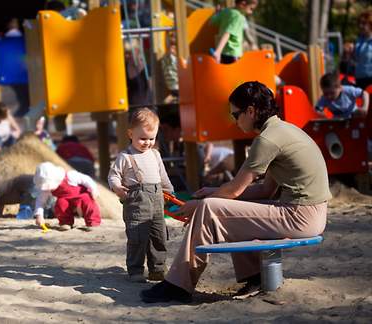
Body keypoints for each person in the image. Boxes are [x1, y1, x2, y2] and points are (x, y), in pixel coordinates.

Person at [140, 81, 331, 304]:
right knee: (224, 207)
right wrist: (213, 191)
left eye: (236, 115)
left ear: (251, 111)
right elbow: (266, 190)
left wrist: (199, 203)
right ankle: (254, 275)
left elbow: (234, 190)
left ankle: (178, 285)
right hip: (309, 213)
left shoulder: (267, 139)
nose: (234, 121)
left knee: (212, 207)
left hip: (301, 216)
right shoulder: (282, 130)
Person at [108, 107, 174, 283]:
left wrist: (169, 191)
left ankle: (157, 269)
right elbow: (113, 175)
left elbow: (163, 176)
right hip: (137, 202)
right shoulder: (125, 156)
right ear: (130, 134)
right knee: (138, 236)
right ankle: (136, 270)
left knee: (158, 235)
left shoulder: (155, 154)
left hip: (157, 199)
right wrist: (117, 187)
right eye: (143, 138)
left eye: (152, 138)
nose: (147, 142)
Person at [32, 162, 101, 231]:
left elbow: (86, 179)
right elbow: (40, 201)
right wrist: (39, 215)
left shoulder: (70, 176)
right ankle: (65, 222)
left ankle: (93, 222)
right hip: (65, 200)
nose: (48, 188)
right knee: (60, 204)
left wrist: (94, 189)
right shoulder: (47, 189)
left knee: (87, 201)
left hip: (81, 195)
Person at [354, 10, 372, 90]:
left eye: (364, 23)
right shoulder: (359, 40)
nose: (361, 26)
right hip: (359, 79)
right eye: (359, 23)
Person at [161, 32, 179, 102]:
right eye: (171, 45)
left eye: (174, 45)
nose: (172, 47)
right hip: (174, 88)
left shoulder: (177, 58)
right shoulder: (168, 57)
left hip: (178, 88)